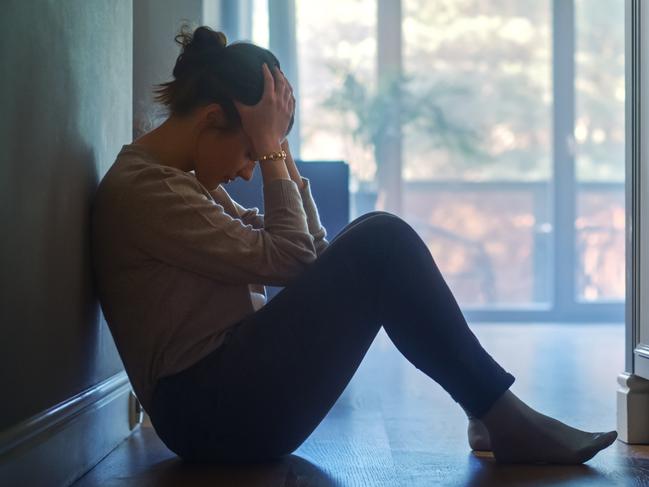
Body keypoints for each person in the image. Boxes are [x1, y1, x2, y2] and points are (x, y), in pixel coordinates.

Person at [91, 24, 617, 466]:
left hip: (224, 399)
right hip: (210, 416)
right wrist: (273, 151)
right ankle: (499, 415)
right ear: (211, 120)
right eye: (251, 151)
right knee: (382, 238)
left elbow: (309, 260)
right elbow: (294, 257)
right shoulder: (148, 190)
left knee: (378, 236)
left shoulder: (178, 183)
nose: (248, 170)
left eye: (260, 154)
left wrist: (279, 151)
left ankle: (492, 414)